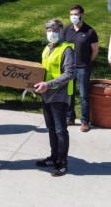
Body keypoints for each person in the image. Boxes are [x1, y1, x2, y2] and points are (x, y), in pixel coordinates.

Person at [34, 19, 76, 177]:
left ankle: (62, 162)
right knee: (51, 129)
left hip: (59, 96)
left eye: (54, 30)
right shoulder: (47, 48)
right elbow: (42, 71)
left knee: (60, 130)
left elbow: (69, 74)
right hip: (46, 95)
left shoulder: (67, 49)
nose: (51, 33)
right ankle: (53, 157)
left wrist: (48, 84)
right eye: (48, 30)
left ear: (60, 31)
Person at [63, 5, 99, 132]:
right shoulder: (67, 30)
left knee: (83, 95)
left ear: (82, 15)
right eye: (71, 14)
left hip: (83, 68)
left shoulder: (89, 32)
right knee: (69, 94)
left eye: (76, 14)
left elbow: (95, 50)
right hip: (69, 68)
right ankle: (70, 117)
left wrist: (88, 61)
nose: (73, 17)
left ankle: (84, 121)